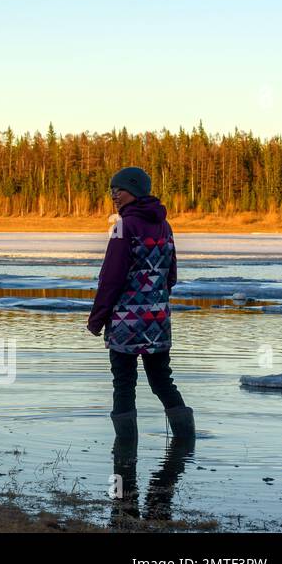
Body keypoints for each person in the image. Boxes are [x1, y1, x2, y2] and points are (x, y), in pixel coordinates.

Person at [87, 166, 195, 442]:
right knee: (161, 380)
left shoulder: (124, 227)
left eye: (118, 189)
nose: (113, 195)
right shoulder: (164, 225)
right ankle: (185, 443)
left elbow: (111, 278)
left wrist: (97, 319)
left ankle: (125, 455)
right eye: (111, 189)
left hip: (126, 322)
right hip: (157, 320)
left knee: (124, 384)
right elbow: (170, 274)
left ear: (134, 190)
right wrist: (154, 302)